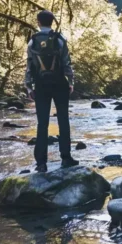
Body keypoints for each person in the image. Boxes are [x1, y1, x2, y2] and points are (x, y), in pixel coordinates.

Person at [24, 10, 78, 173]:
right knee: (63, 121)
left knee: (42, 123)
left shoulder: (32, 41)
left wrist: (28, 87)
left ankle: (41, 163)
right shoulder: (60, 39)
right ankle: (66, 158)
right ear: (52, 22)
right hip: (59, 84)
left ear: (39, 22)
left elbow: (29, 66)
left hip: (41, 85)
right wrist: (71, 82)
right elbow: (66, 63)